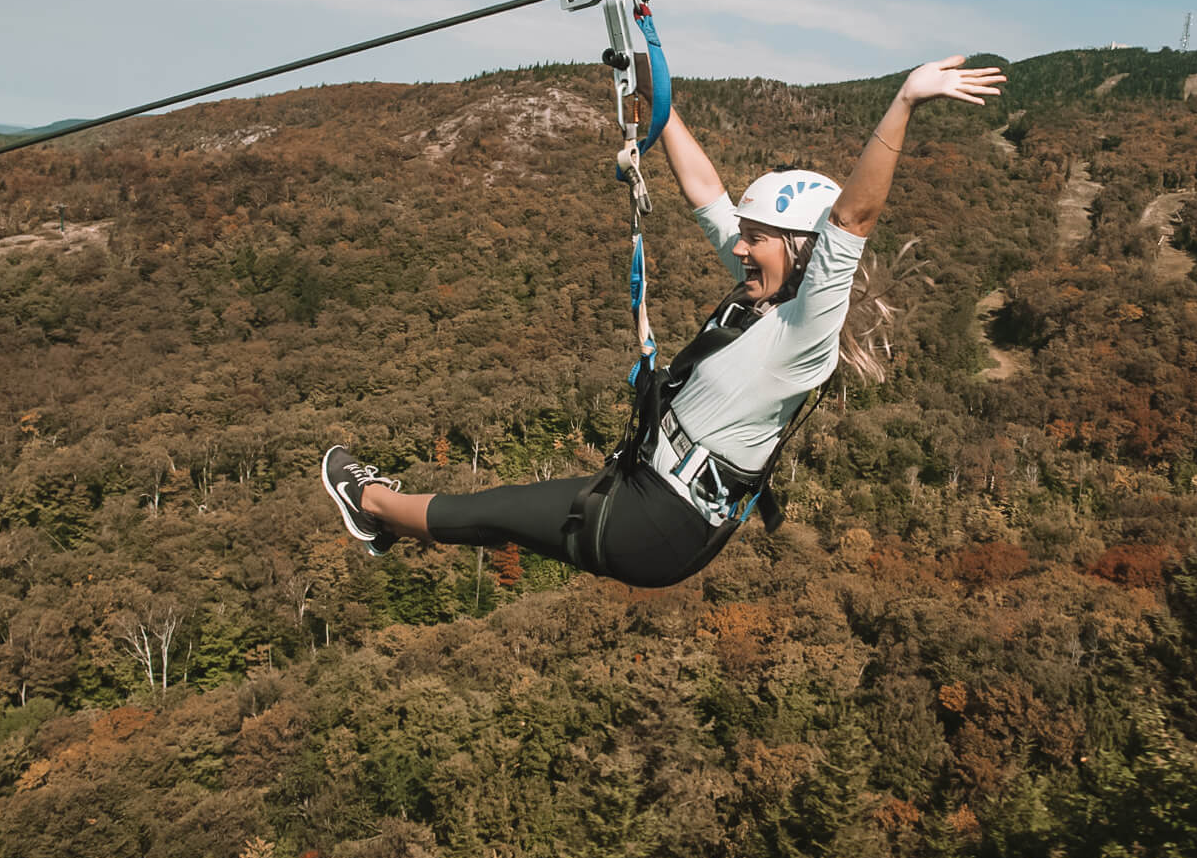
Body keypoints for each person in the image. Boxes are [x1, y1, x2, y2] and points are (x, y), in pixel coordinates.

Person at [323, 54, 1005, 587]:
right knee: (500, 515)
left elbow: (852, 220)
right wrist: (656, 99)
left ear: (799, 251)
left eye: (755, 238)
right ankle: (385, 521)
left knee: (489, 511)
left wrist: (903, 102)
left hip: (657, 523)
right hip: (653, 492)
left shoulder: (804, 334)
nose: (737, 246)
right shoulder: (759, 295)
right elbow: (705, 191)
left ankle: (373, 507)